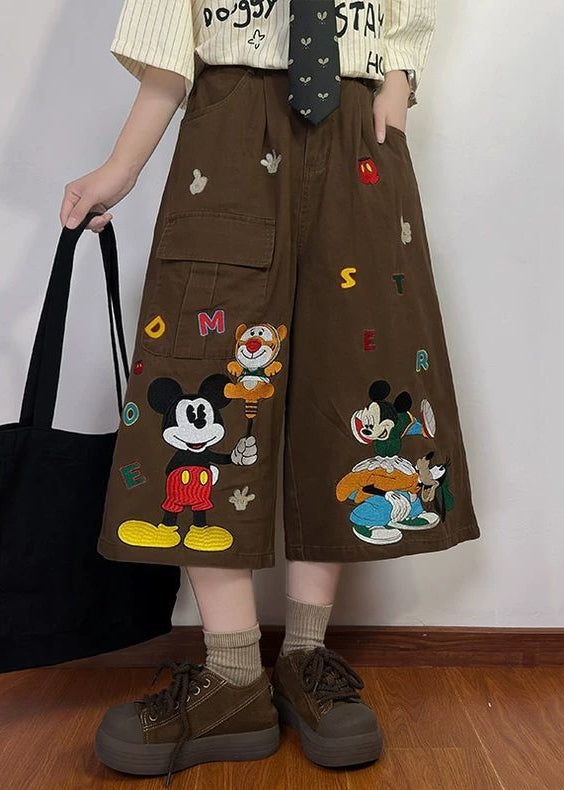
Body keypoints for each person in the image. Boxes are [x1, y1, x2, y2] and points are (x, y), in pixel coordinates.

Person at [60, 0, 480, 783]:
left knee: (354, 380)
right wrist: (122, 165)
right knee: (208, 373)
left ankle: (307, 655)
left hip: (358, 122)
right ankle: (231, 673)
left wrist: (395, 82)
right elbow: (169, 28)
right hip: (228, 112)